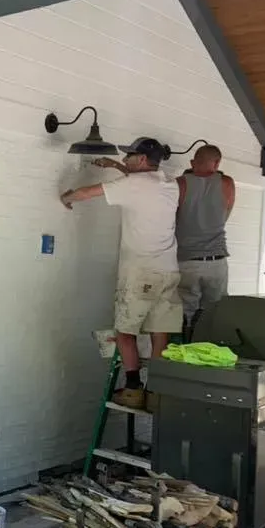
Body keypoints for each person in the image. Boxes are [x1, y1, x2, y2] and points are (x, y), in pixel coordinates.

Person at [60, 137, 183, 408]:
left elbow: (88, 192)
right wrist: (116, 166)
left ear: (141, 160)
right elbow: (140, 183)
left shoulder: (134, 184)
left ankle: (132, 388)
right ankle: (156, 391)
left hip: (140, 273)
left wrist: (67, 197)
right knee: (159, 332)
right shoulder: (169, 183)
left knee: (125, 330)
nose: (125, 159)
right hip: (168, 272)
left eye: (129, 156)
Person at [176, 145, 235, 332]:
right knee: (216, 311)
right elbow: (226, 213)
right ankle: (210, 350)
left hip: (187, 259)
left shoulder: (180, 183)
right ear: (217, 163)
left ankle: (186, 349)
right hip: (216, 258)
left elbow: (172, 216)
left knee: (186, 312)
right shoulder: (227, 183)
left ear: (192, 162)